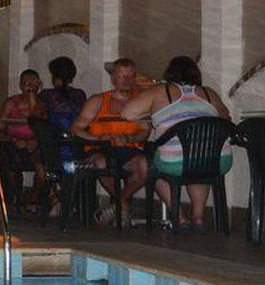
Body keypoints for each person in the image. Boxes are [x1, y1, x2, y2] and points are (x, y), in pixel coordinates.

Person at [123, 55, 231, 232]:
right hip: (218, 160)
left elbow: (127, 113)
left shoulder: (160, 91)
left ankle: (179, 218)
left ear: (169, 73)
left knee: (152, 167)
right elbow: (225, 116)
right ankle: (198, 218)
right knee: (199, 159)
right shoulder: (208, 93)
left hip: (176, 161)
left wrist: (155, 112)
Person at [71, 58, 151, 226]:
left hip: (128, 148)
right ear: (113, 78)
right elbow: (76, 129)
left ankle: (116, 206)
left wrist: (129, 138)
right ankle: (123, 207)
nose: (127, 80)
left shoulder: (140, 101)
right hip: (99, 148)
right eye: (122, 76)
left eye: (131, 76)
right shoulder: (98, 100)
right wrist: (100, 138)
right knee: (101, 163)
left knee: (144, 166)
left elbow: (144, 132)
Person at [0, 69, 46, 207]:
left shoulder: (41, 103)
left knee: (42, 166)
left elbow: (42, 126)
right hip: (14, 144)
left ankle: (32, 199)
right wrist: (14, 140)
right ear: (20, 85)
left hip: (35, 146)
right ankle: (16, 198)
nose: (29, 87)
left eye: (32, 84)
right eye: (26, 84)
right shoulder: (11, 103)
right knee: (10, 160)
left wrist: (35, 141)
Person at [38, 56, 86, 132]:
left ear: (55, 76)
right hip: (77, 135)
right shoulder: (80, 94)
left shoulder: (47, 94)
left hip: (55, 135)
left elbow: (36, 116)